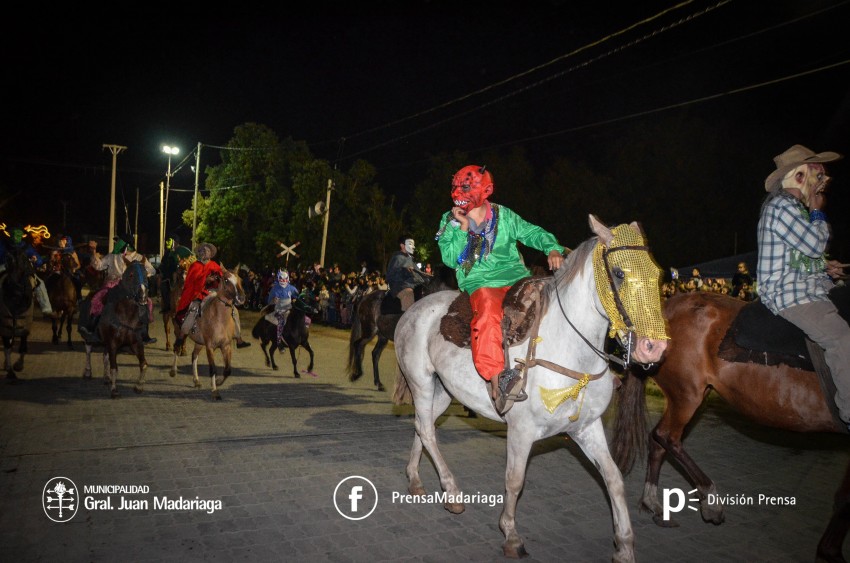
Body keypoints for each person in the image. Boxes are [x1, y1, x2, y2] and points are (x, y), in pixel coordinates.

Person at [436, 165, 564, 407]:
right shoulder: (449, 220)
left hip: (517, 277)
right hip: (481, 281)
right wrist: (462, 228)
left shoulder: (503, 215)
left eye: (466, 187)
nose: (459, 193)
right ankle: (498, 382)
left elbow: (531, 232)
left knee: (555, 298)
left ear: (486, 189)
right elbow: (451, 259)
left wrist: (552, 247)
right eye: (457, 187)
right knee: (487, 311)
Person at [757, 144, 850, 428]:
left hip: (805, 287)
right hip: (789, 295)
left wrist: (825, 266)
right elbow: (814, 243)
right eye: (817, 175)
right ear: (799, 177)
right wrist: (817, 211)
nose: (822, 182)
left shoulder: (792, 209)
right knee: (841, 338)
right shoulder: (782, 207)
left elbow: (800, 255)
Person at [174, 242, 250, 349]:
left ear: (211, 254)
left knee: (234, 310)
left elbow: (223, 279)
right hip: (199, 293)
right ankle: (182, 336)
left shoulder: (214, 265)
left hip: (214, 292)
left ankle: (238, 338)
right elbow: (191, 282)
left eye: (208, 251)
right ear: (199, 253)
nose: (205, 252)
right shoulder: (194, 266)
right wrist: (205, 280)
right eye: (203, 251)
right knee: (193, 309)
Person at [84, 233, 157, 343]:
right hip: (112, 284)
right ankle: (94, 330)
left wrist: (140, 276)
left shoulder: (139, 258)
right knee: (97, 299)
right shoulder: (112, 256)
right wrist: (94, 252)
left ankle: (144, 334)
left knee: (148, 303)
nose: (116, 244)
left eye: (118, 241)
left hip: (131, 287)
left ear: (126, 244)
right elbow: (99, 266)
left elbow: (152, 270)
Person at [0, 225, 53, 316]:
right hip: (6, 267)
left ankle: (46, 308)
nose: (17, 236)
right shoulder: (3, 245)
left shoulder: (26, 247)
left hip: (24, 269)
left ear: (22, 235)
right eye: (15, 233)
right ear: (10, 234)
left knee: (39, 283)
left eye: (19, 234)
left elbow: (38, 259)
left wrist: (36, 259)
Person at [386, 235, 428, 311]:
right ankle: (406, 320)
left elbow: (419, 274)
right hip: (401, 287)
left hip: (413, 285)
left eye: (413, 244)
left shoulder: (410, 259)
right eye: (410, 244)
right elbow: (390, 276)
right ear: (402, 245)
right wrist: (404, 271)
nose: (413, 247)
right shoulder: (397, 258)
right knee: (408, 293)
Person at [159, 234, 193, 314]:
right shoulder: (168, 252)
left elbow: (192, 260)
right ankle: (167, 306)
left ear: (176, 242)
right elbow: (163, 263)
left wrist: (183, 267)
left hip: (184, 272)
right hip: (170, 274)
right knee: (163, 285)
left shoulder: (184, 250)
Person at [267, 269, 300, 345]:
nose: (283, 280)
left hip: (290, 308)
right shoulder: (274, 289)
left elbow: (298, 297)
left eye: (285, 279)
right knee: (281, 322)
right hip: (279, 310)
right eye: (282, 279)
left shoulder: (292, 288)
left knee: (303, 319)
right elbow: (269, 301)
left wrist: (295, 299)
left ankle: (302, 337)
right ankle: (279, 341)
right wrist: (273, 300)